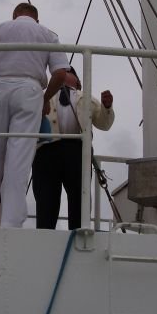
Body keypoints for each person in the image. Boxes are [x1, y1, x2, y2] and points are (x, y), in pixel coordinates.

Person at [0, 2, 69, 228]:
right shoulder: (47, 34)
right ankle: (10, 221)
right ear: (37, 19)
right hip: (29, 89)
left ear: (14, 15)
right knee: (19, 157)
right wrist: (45, 98)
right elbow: (60, 74)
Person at [32, 67, 114, 230]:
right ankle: (44, 233)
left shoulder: (87, 98)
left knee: (79, 198)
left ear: (77, 81)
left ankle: (78, 233)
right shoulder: (43, 96)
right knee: (46, 199)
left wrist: (107, 107)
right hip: (47, 150)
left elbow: (104, 124)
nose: (64, 74)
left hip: (77, 150)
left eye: (69, 72)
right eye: (61, 72)